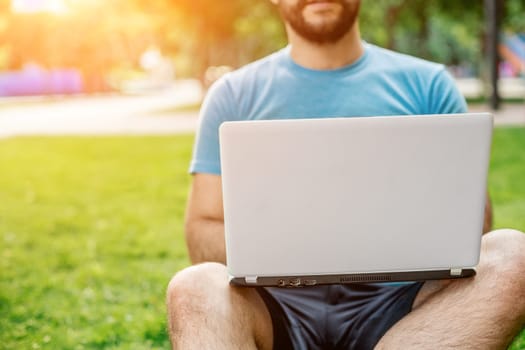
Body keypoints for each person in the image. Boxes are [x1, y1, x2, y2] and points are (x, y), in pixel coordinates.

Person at [167, 0, 525, 348]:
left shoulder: (429, 85)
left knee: (514, 253)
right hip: (273, 309)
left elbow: (474, 225)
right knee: (195, 286)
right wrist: (294, 245)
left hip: (409, 311)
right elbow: (202, 229)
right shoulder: (231, 95)